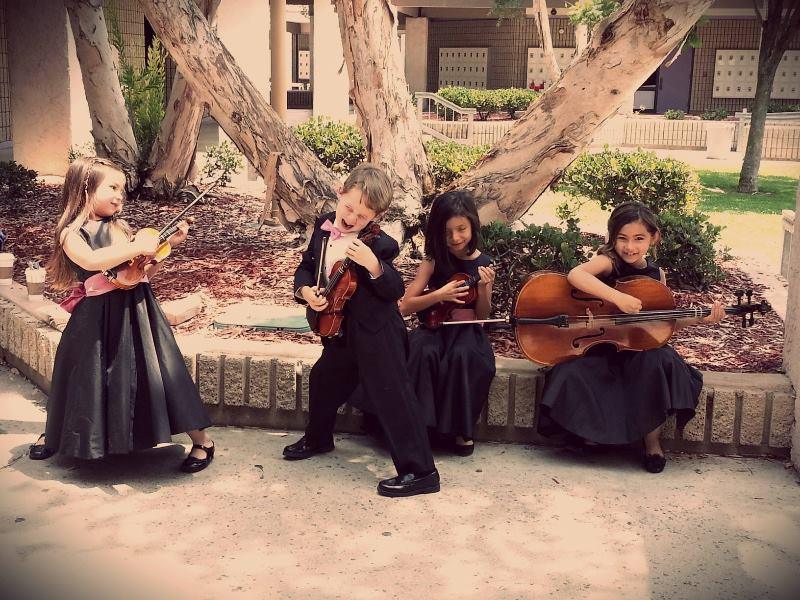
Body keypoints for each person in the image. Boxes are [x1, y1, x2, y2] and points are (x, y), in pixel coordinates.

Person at [28, 157, 214, 473]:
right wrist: (138, 246)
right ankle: (55, 435)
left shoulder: (121, 229)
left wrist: (165, 249)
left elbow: (139, 275)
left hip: (139, 313)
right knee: (82, 378)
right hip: (94, 319)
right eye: (112, 187)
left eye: (122, 189)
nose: (119, 196)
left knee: (163, 373)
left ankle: (203, 441)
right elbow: (92, 261)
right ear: (85, 189)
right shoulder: (71, 233)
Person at [283, 163, 439, 497]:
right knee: (323, 379)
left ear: (376, 217)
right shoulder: (323, 226)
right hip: (339, 329)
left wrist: (373, 265)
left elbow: (394, 289)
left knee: (393, 396)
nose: (352, 218)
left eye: (363, 215)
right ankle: (318, 438)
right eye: (349, 207)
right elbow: (307, 267)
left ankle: (421, 472)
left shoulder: (381, 244)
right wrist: (306, 291)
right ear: (339, 192)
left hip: (377, 333)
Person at [538, 201, 724, 473]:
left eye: (639, 238)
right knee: (575, 372)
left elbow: (659, 323)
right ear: (612, 237)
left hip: (635, 347)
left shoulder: (657, 274)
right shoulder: (608, 261)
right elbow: (576, 275)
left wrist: (700, 319)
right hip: (602, 346)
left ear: (653, 238)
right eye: (622, 238)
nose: (629, 246)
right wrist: (618, 297)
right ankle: (593, 435)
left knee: (657, 362)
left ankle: (652, 443)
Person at [398, 190, 495, 456]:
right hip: (434, 325)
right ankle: (419, 428)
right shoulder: (432, 260)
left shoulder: (483, 263)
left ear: (473, 225)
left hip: (466, 330)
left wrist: (484, 289)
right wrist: (440, 295)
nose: (455, 238)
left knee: (464, 355)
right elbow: (406, 305)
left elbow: (482, 315)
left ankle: (461, 431)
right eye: (446, 232)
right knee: (423, 351)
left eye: (461, 229)